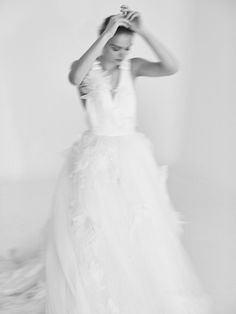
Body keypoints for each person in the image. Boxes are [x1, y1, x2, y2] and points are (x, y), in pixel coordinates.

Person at [44, 5, 213, 314]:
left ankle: (133, 274)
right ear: (104, 41)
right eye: (115, 47)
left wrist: (144, 31)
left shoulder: (132, 68)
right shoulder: (86, 69)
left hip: (131, 155)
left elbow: (171, 66)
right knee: (98, 221)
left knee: (135, 220)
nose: (121, 54)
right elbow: (74, 77)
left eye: (126, 48)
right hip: (95, 156)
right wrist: (108, 32)